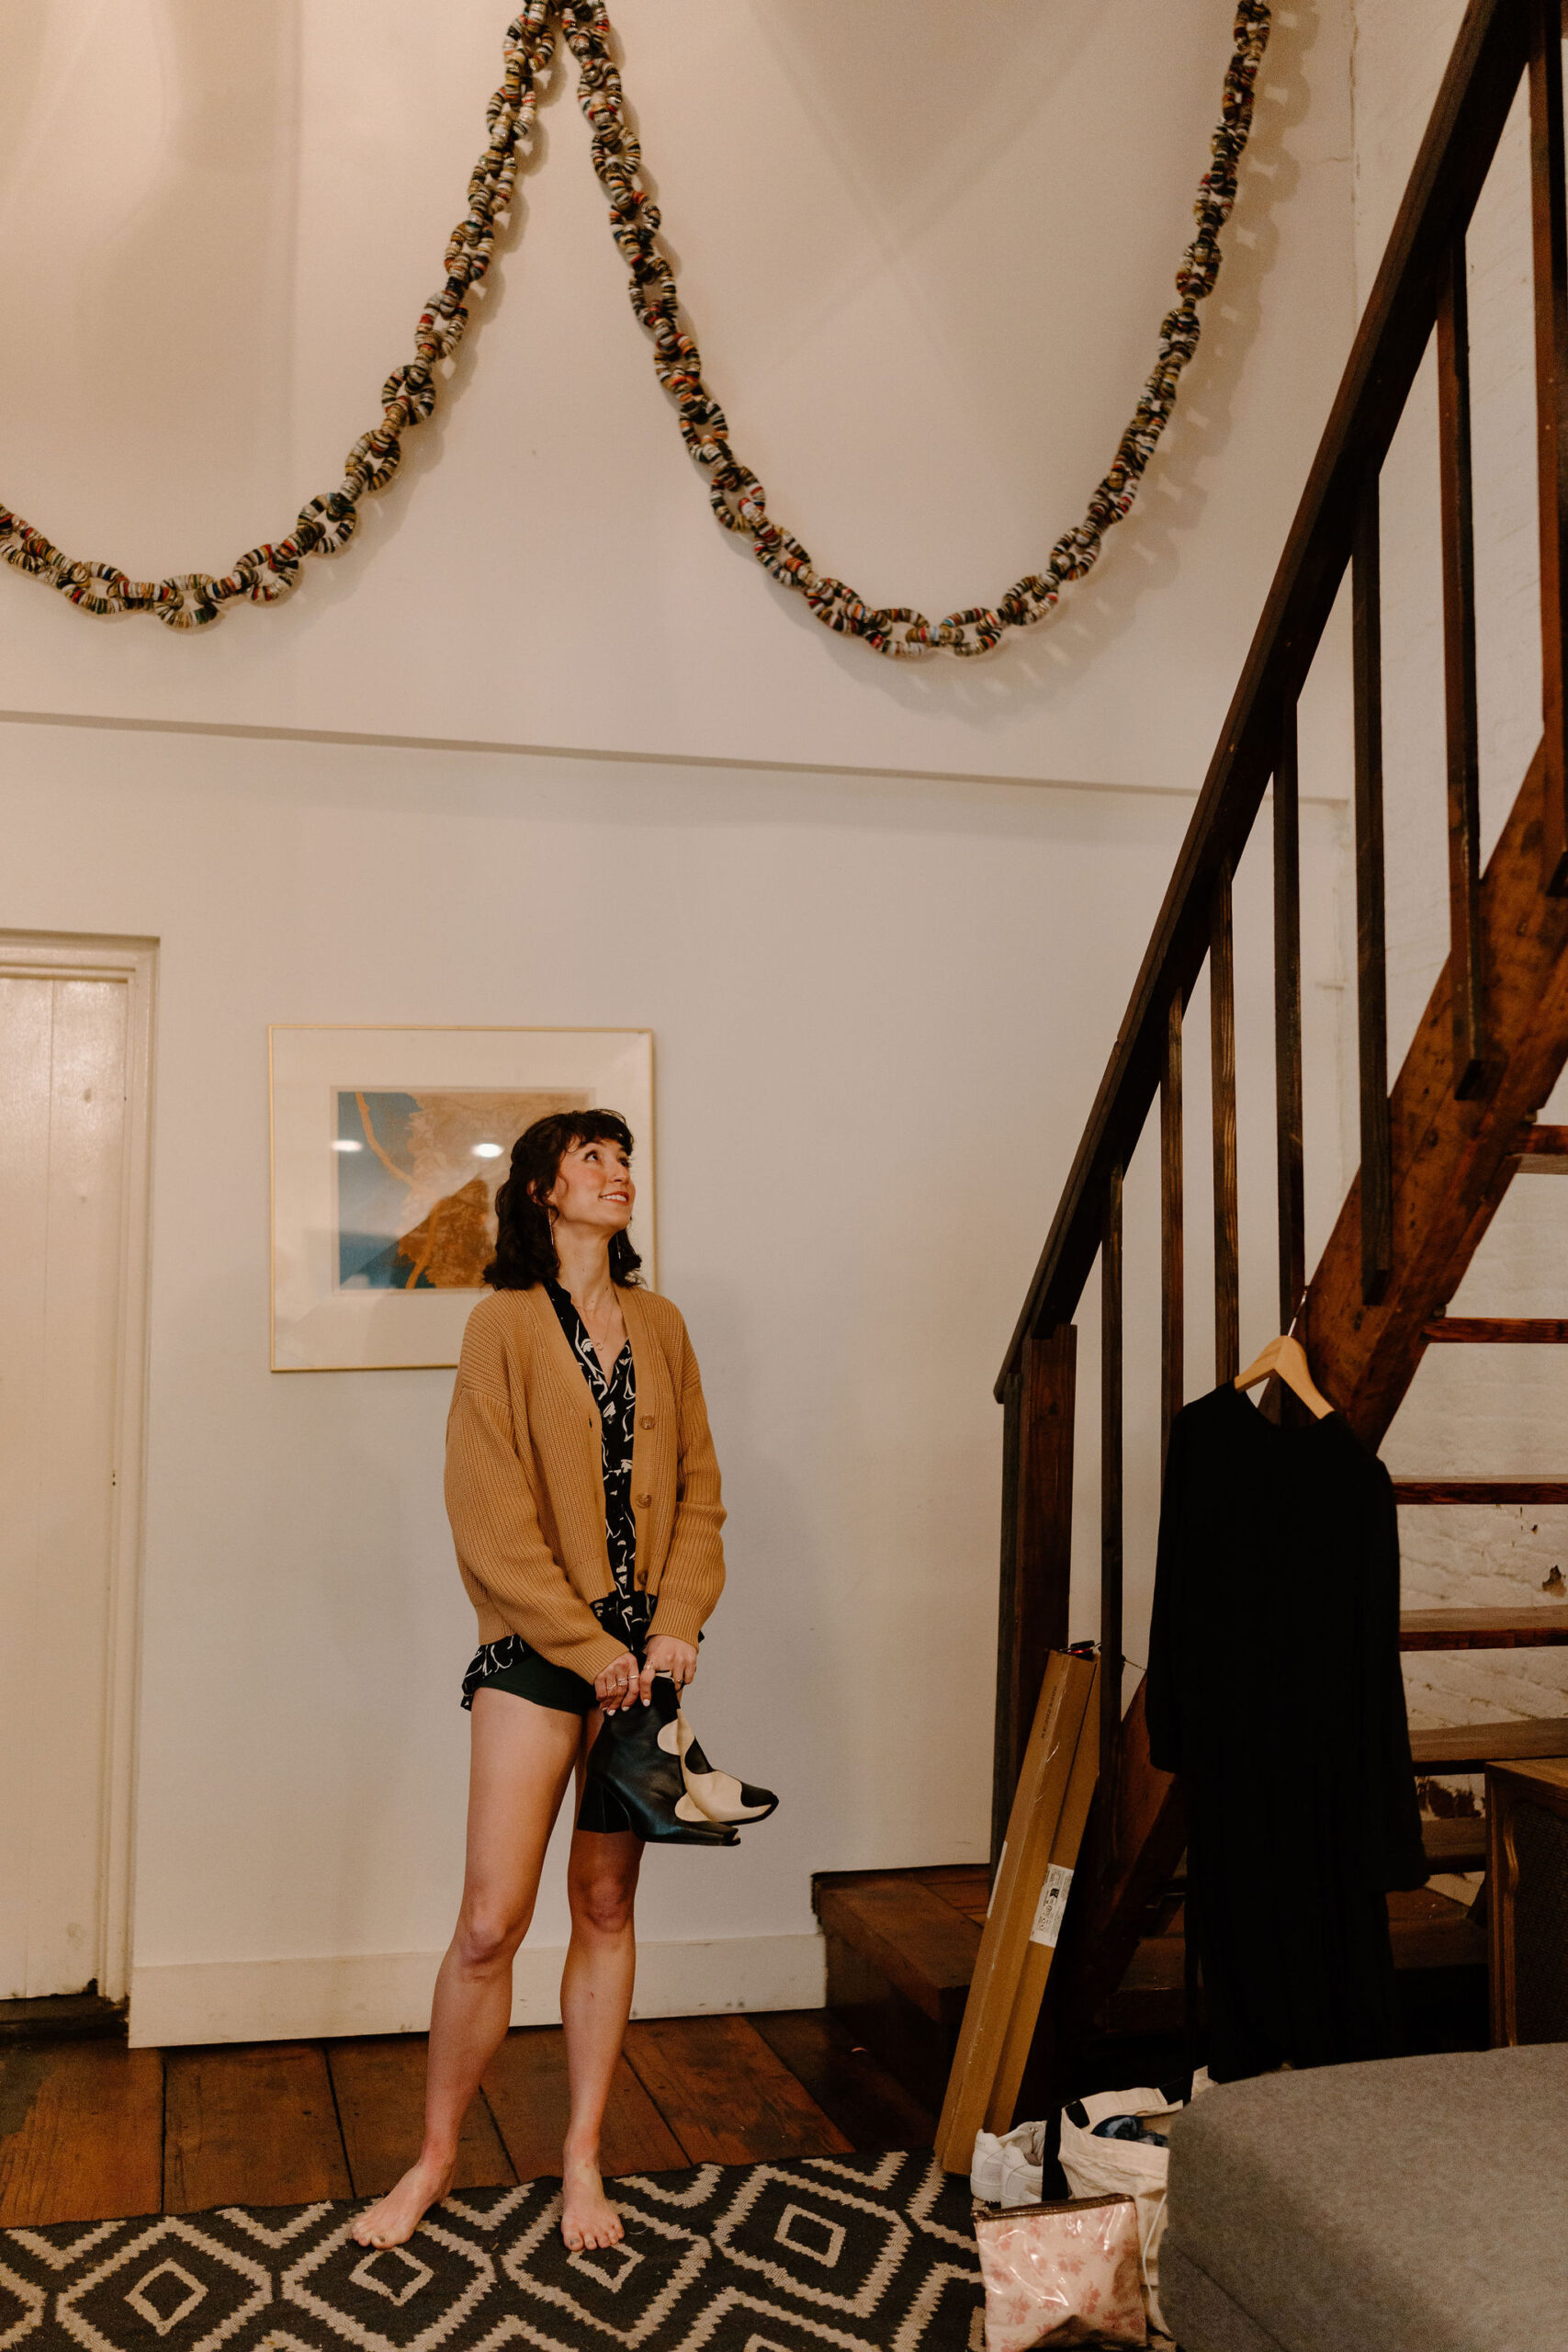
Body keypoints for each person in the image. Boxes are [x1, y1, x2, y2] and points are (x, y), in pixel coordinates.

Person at [352, 1109, 727, 2253]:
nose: (618, 1175)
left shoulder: (660, 1325)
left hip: (644, 1662)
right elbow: (490, 1520)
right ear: (537, 1194)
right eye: (591, 1160)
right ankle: (433, 2161)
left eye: (624, 1159)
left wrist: (675, 1627)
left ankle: (581, 2162)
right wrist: (586, 1644)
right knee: (489, 1919)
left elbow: (701, 1495)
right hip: (539, 1655)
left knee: (606, 1906)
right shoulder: (501, 1327)